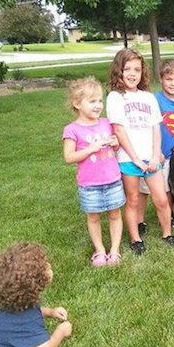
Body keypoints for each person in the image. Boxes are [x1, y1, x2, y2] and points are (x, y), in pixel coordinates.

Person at [106, 48, 174, 254]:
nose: (132, 74)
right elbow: (119, 129)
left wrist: (156, 154)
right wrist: (136, 158)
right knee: (133, 200)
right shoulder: (115, 97)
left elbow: (156, 127)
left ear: (142, 72)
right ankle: (136, 239)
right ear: (118, 71)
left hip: (151, 159)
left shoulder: (148, 97)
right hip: (129, 159)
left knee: (161, 199)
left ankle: (167, 233)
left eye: (136, 69)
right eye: (127, 69)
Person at [63, 77, 125, 266]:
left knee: (115, 214)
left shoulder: (106, 123)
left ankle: (114, 250)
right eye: (92, 101)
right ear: (77, 104)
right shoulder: (72, 130)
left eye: (100, 100)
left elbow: (114, 147)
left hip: (113, 179)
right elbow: (69, 157)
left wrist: (115, 144)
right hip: (90, 184)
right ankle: (99, 250)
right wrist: (91, 148)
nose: (98, 105)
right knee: (94, 217)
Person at [137, 59, 174, 234]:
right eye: (169, 79)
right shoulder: (154, 100)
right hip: (154, 154)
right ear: (161, 79)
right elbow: (149, 127)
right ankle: (139, 221)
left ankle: (169, 216)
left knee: (169, 188)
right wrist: (155, 151)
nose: (173, 83)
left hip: (172, 155)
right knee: (142, 190)